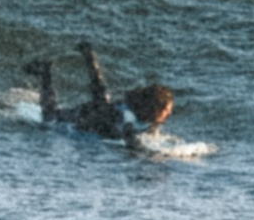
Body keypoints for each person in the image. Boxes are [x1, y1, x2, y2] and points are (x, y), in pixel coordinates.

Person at [36, 46, 175, 147]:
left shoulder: (144, 116)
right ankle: (44, 72)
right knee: (48, 117)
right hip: (81, 119)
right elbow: (131, 143)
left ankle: (89, 56)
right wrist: (147, 155)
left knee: (102, 99)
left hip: (99, 114)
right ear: (155, 108)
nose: (169, 113)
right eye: (166, 110)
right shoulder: (129, 118)